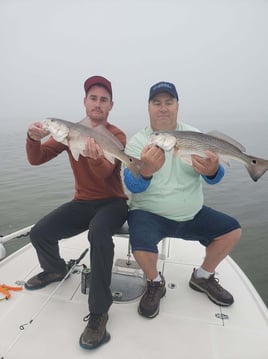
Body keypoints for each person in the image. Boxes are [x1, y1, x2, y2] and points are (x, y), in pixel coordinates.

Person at [25, 75, 128, 348]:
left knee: (98, 233)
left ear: (111, 105)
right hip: (82, 202)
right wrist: (32, 138)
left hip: (113, 202)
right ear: (85, 102)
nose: (97, 103)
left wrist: (96, 158)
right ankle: (56, 269)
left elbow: (108, 175)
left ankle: (98, 313)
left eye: (103, 100)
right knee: (40, 233)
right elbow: (37, 159)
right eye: (93, 98)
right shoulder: (70, 132)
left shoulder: (116, 136)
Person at [123, 81, 241, 319]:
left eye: (169, 102)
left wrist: (212, 170)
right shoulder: (138, 141)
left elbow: (215, 178)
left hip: (192, 213)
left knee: (232, 231)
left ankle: (203, 277)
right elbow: (131, 184)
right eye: (157, 103)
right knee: (140, 245)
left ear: (177, 106)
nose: (163, 108)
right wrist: (145, 171)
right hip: (149, 212)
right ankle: (155, 282)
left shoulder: (194, 134)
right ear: (149, 108)